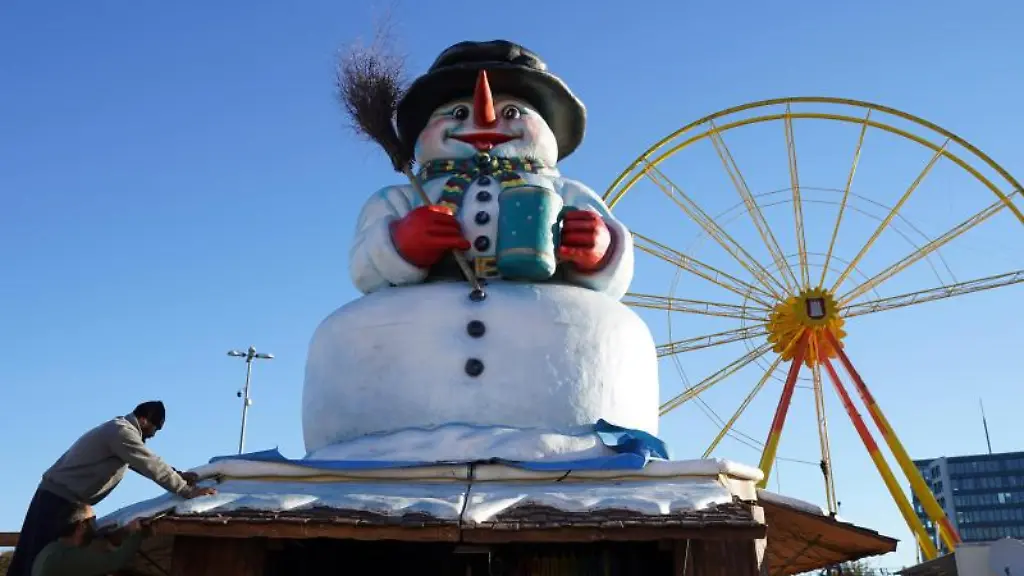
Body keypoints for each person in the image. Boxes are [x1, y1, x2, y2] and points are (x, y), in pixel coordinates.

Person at [7, 401, 217, 576]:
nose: (154, 434)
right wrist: (187, 491)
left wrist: (178, 475)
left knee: (37, 557)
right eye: (156, 428)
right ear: (144, 420)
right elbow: (149, 463)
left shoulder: (119, 433)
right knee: (40, 558)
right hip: (58, 500)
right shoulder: (121, 432)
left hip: (61, 498)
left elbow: (142, 461)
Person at [31, 505, 145, 576]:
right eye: (93, 521)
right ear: (81, 526)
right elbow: (115, 561)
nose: (97, 526)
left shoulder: (51, 550)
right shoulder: (61, 558)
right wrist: (136, 532)